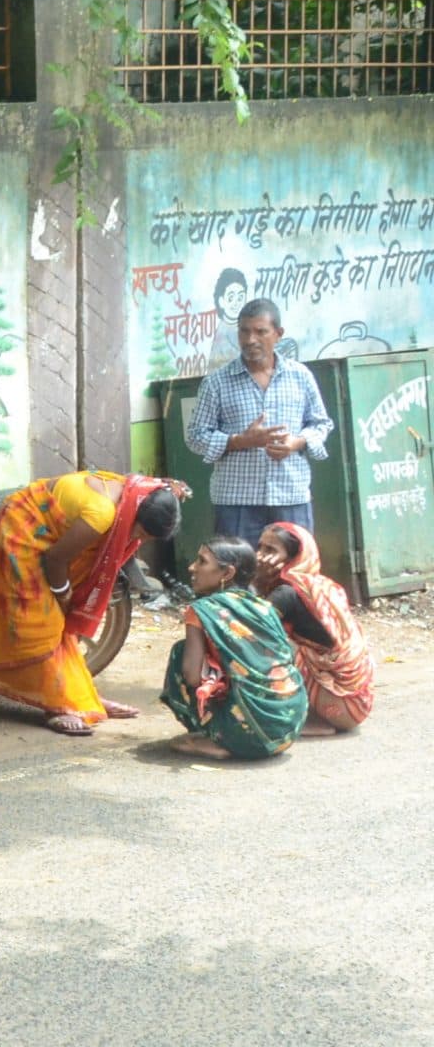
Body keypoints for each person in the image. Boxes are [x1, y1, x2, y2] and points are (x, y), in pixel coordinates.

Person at [0, 470, 183, 735]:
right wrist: (63, 594)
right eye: (142, 532)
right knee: (41, 622)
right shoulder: (102, 514)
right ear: (136, 513)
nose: (139, 540)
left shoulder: (137, 494)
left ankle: (81, 697)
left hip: (52, 534)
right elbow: (55, 560)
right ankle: (59, 705)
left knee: (63, 624)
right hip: (23, 526)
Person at [184, 297, 333, 542]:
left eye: (260, 332)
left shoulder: (300, 376)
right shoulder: (216, 382)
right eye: (244, 331)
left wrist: (297, 443)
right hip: (236, 502)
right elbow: (195, 436)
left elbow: (321, 424)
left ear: (278, 334)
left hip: (290, 496)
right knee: (237, 574)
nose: (250, 340)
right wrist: (238, 441)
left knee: (292, 574)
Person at [160, 537, 309, 759]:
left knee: (181, 652)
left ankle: (221, 738)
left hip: (252, 734)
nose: (192, 567)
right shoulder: (264, 607)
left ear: (227, 574)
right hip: (289, 726)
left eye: (202, 561)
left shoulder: (201, 610)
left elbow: (192, 677)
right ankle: (234, 731)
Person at [255, 520, 375, 734]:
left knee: (258, 646)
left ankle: (299, 718)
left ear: (293, 558)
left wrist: (256, 580)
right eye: (260, 547)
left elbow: (250, 628)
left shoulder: (287, 593)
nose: (259, 556)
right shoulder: (319, 585)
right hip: (358, 698)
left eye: (270, 550)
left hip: (341, 704)